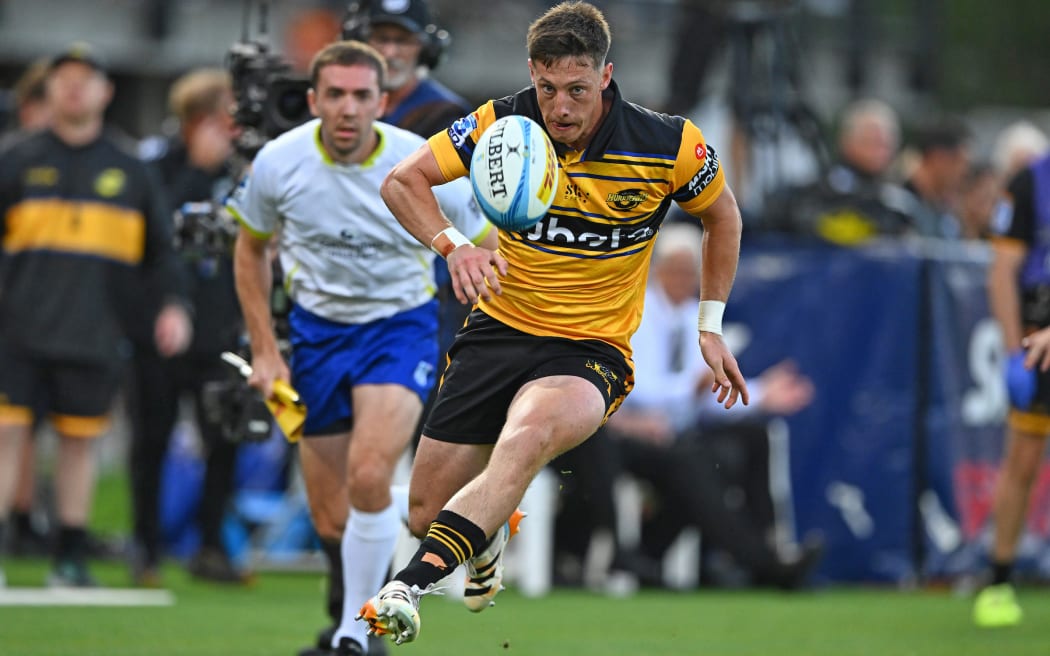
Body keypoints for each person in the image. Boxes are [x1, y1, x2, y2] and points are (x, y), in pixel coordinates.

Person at [357, 1, 749, 645]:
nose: (560, 107)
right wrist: (456, 245)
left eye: (576, 90)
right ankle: (485, 535)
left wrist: (710, 323)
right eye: (547, 88)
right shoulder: (504, 121)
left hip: (590, 349)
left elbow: (723, 216)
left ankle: (406, 587)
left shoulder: (668, 143)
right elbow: (403, 181)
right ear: (531, 76)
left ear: (605, 76)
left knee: (529, 433)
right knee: (426, 509)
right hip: (498, 331)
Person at [228, 41, 493, 656]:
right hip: (317, 335)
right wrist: (266, 353)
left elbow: (487, 243)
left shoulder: (415, 163)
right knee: (330, 516)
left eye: (361, 95)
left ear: (383, 101)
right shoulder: (278, 161)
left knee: (370, 475)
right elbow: (249, 249)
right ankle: (465, 517)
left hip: (397, 330)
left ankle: (355, 634)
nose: (348, 108)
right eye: (336, 94)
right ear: (314, 99)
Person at [0, 42, 191, 588]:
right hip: (17, 330)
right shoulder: (16, 158)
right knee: (7, 436)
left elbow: (161, 253)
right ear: (49, 90)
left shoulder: (130, 170)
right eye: (63, 78)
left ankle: (70, 557)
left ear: (106, 92)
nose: (74, 86)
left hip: (95, 332)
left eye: (86, 78)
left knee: (78, 442)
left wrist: (173, 307)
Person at [551, 222, 821, 592]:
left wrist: (759, 394)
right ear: (656, 269)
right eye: (676, 270)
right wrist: (689, 389)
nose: (683, 279)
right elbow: (635, 387)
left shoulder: (696, 318)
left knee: (749, 438)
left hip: (672, 429)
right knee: (696, 462)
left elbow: (708, 394)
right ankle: (761, 564)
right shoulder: (637, 311)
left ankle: (764, 545)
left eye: (690, 272)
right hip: (623, 429)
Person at [123, 68, 247, 587]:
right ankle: (146, 547)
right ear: (198, 118)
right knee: (150, 437)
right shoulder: (153, 163)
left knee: (225, 438)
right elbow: (152, 235)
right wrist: (199, 172)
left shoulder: (246, 169)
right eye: (223, 116)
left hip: (221, 326)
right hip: (159, 326)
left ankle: (211, 544)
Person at [974, 151, 1050, 627]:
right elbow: (1002, 270)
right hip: (1037, 336)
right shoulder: (1030, 182)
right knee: (1022, 458)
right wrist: (1010, 350)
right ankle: (999, 581)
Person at [1, 57, 54, 558]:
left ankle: (25, 516)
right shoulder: (14, 162)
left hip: (46, 323)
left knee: (26, 428)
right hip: (13, 319)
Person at [762, 98, 913, 245]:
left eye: (885, 144)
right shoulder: (826, 191)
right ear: (846, 142)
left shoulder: (899, 197)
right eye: (870, 141)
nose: (879, 152)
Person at [900, 115, 973, 239]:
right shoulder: (898, 211)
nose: (964, 173)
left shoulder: (946, 214)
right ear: (938, 159)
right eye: (961, 163)